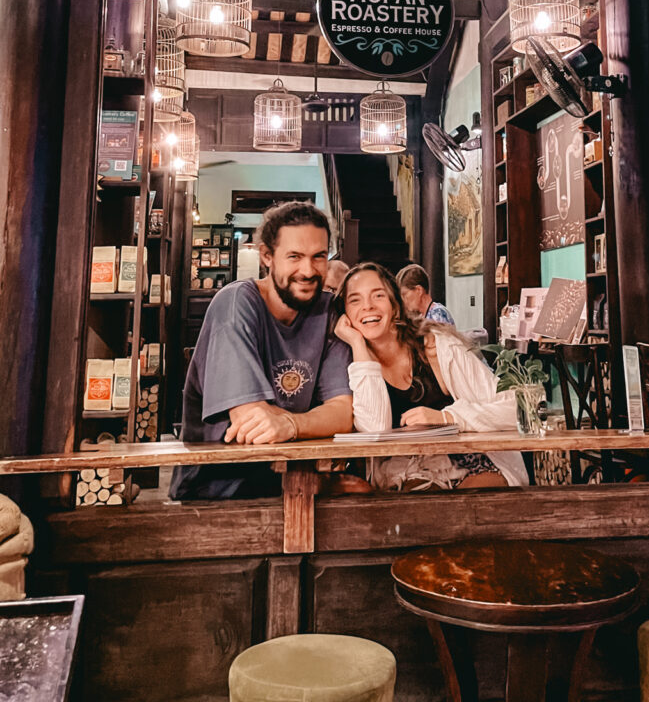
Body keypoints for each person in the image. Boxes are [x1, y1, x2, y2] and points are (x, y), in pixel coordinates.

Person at [170, 201, 353, 500]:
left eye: (318, 257)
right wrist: (314, 421)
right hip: (219, 491)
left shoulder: (327, 309)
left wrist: (290, 424)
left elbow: (344, 413)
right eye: (294, 256)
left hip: (296, 488)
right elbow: (253, 421)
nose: (307, 271)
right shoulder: (236, 303)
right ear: (267, 255)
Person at [334, 263, 528, 491]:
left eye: (378, 295)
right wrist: (358, 344)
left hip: (471, 465)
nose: (367, 306)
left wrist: (447, 417)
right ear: (345, 315)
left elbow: (515, 408)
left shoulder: (438, 346)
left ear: (395, 306)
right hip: (405, 476)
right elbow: (374, 430)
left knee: (456, 507)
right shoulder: (351, 359)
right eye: (355, 300)